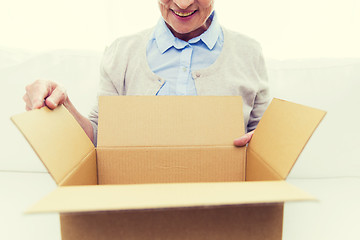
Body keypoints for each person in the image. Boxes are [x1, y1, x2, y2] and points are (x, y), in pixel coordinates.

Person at [23, 0, 270, 147]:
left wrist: (264, 143)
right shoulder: (121, 53)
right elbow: (100, 140)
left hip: (222, 208)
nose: (182, 3)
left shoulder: (249, 53)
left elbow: (264, 139)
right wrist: (61, 105)